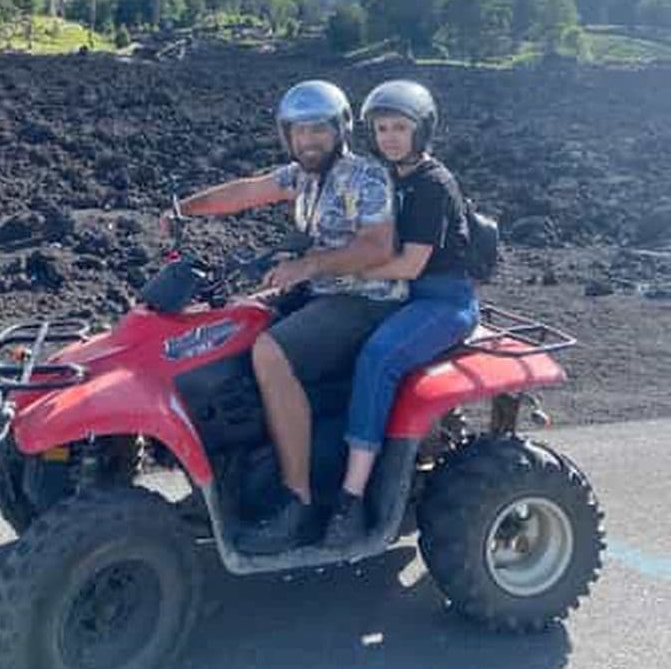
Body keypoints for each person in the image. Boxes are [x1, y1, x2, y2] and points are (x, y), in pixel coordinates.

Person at [160, 80, 405, 554]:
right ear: (286, 135)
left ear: (340, 130)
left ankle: (297, 502)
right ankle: (236, 478)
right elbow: (248, 191)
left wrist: (308, 265)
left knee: (270, 353)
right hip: (321, 291)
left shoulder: (365, 176)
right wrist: (185, 208)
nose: (309, 141)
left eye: (318, 130)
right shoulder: (302, 176)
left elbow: (378, 247)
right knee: (229, 327)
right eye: (299, 132)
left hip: (367, 300)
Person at [322, 79, 480, 548]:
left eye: (400, 128)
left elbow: (411, 263)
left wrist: (343, 273)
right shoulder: (384, 176)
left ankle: (351, 499)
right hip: (399, 291)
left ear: (422, 130)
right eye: (382, 128)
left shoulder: (431, 185)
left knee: (379, 357)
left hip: (441, 300)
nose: (390, 137)